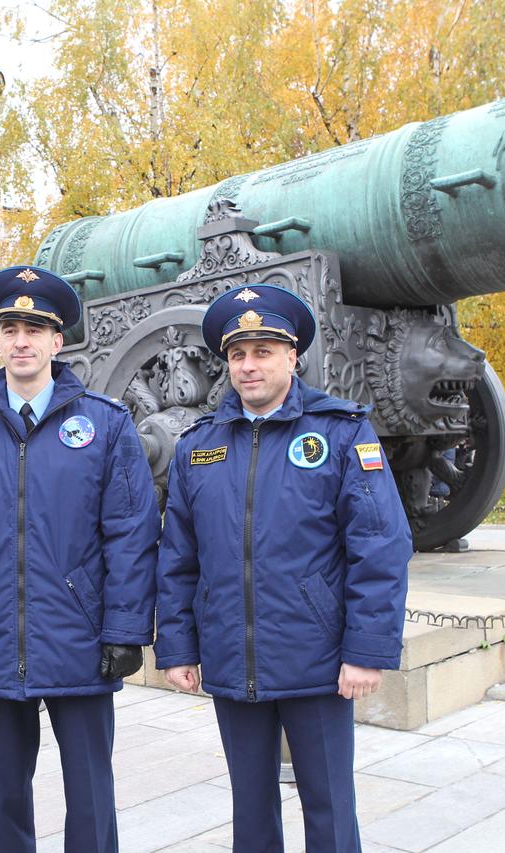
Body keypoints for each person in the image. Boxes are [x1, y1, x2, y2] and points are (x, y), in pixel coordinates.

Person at [154, 284, 411, 853]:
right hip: (230, 653)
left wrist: (365, 651)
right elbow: (178, 557)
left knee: (329, 806)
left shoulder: (340, 432)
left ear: (292, 356)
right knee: (250, 806)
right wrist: (177, 647)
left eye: (264, 351)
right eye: (238, 354)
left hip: (315, 657)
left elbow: (380, 544)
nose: (249, 366)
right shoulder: (200, 446)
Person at [0, 265, 161, 853]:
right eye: (10, 328)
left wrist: (126, 629)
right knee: (4, 792)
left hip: (81, 640)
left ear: (58, 341)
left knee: (90, 790)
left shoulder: (105, 425)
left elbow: (130, 532)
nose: (21, 341)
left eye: (35, 328)